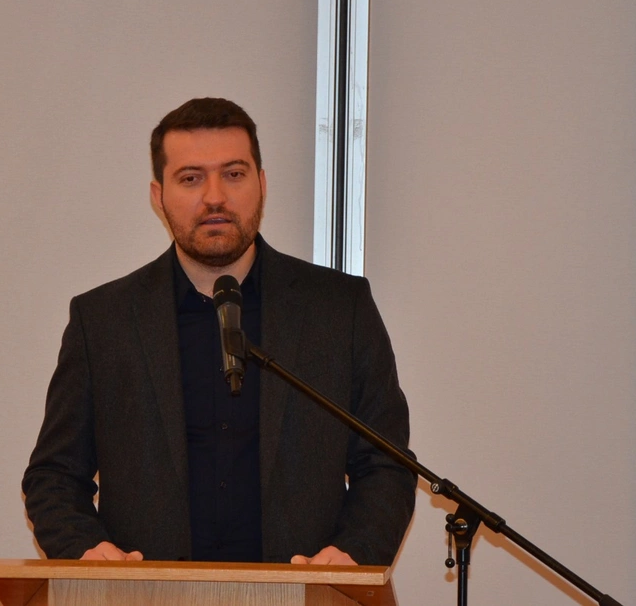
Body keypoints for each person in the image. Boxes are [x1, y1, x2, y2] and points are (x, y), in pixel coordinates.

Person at [22, 97, 414, 566]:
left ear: (261, 184)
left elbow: (386, 464)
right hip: (147, 596)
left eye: (233, 174)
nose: (214, 197)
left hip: (303, 593)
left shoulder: (339, 309)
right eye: (190, 178)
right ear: (158, 196)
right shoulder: (103, 320)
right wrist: (86, 551)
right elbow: (54, 475)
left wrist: (351, 556)